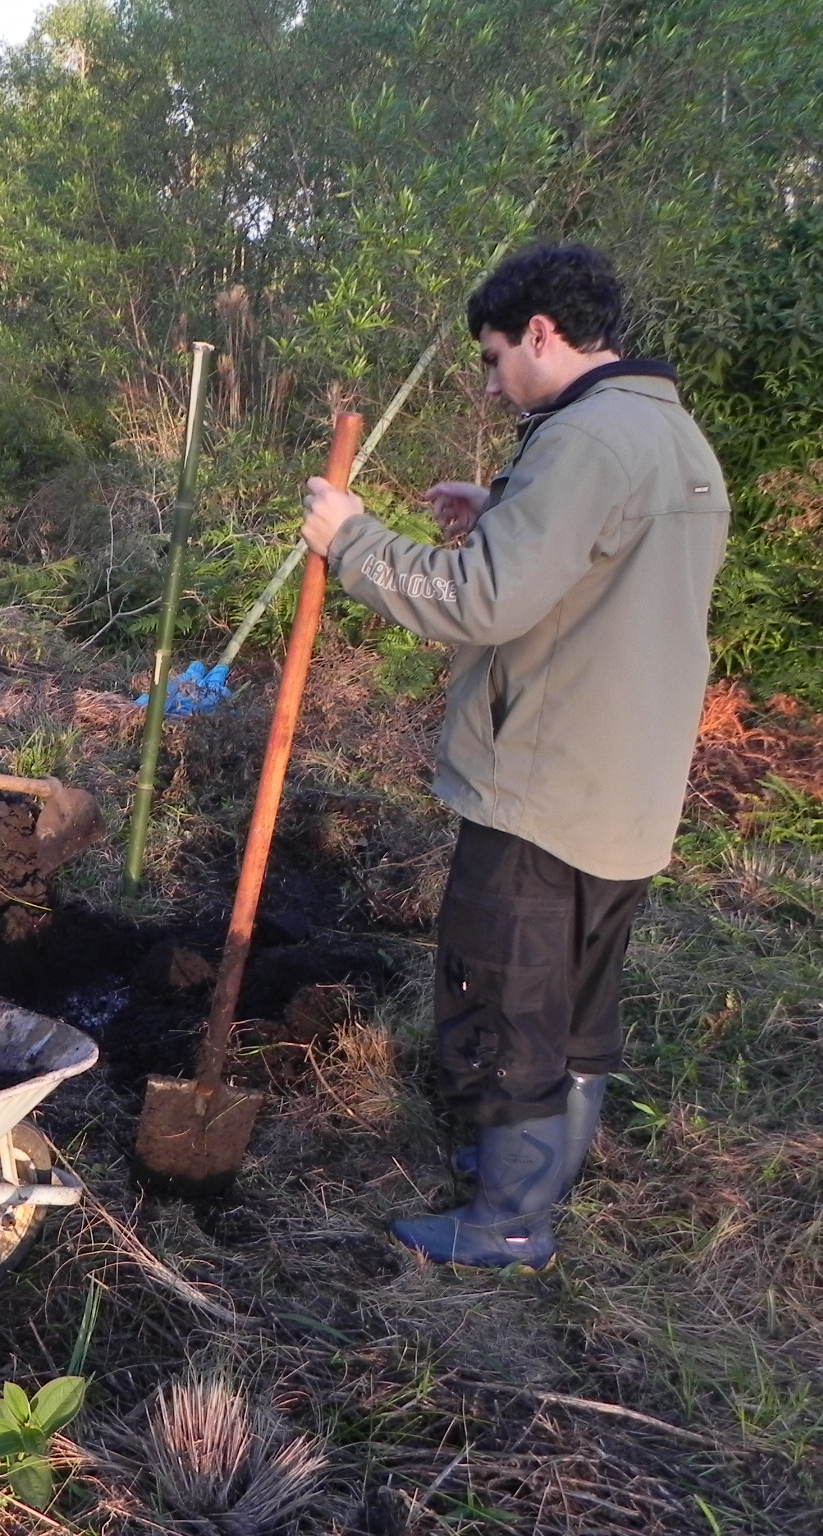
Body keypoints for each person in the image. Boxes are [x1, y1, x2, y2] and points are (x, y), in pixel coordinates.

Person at [301, 245, 730, 1269]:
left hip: (540, 783)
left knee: (503, 1000)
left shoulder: (581, 439)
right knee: (576, 1006)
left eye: (496, 360)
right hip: (623, 790)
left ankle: (505, 1221)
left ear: (542, 333)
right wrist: (501, 517)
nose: (493, 387)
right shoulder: (669, 435)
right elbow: (604, 576)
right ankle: (534, 1184)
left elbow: (478, 606)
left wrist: (352, 540)